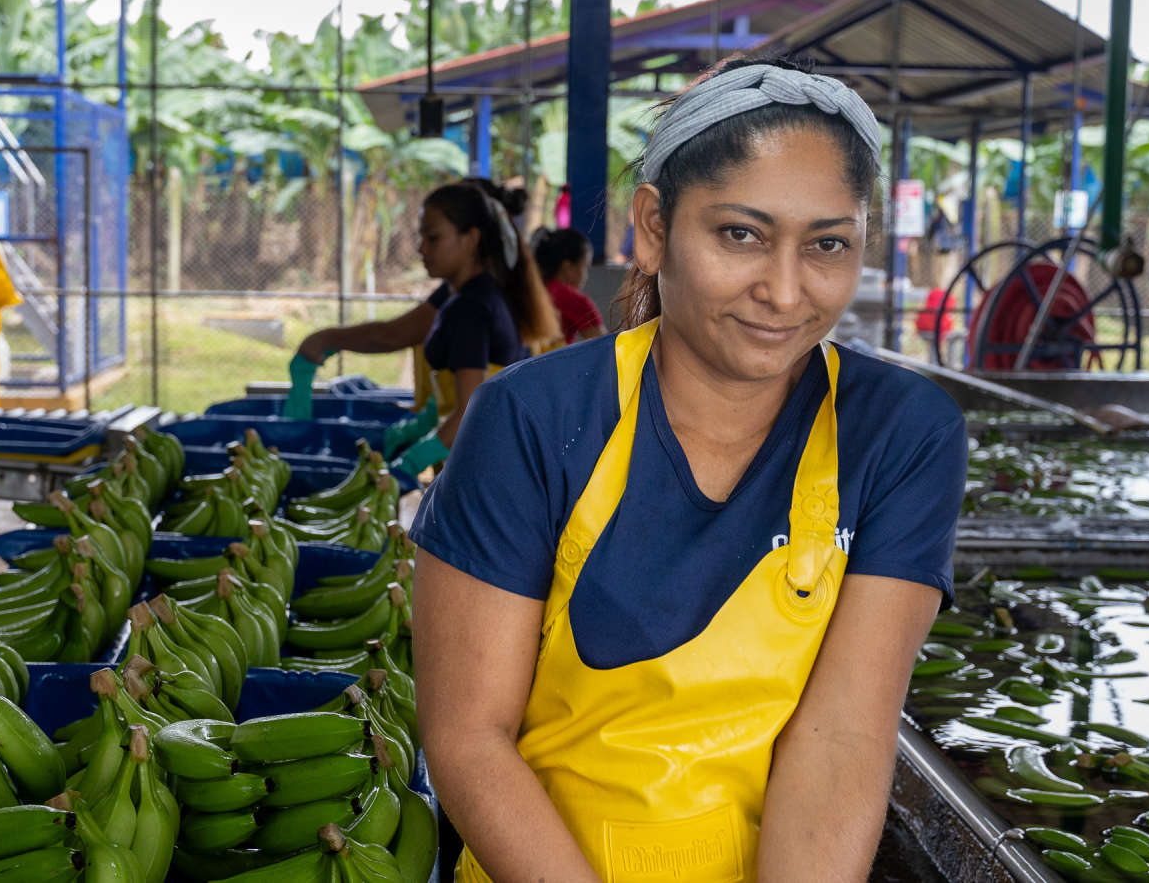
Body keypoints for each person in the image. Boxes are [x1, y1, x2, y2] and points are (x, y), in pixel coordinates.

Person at [411, 57, 967, 882]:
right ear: (655, 227)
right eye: (740, 234)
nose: (784, 292)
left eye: (827, 245)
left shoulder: (902, 433)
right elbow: (467, 736)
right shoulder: (535, 418)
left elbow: (843, 734)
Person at [293, 179, 559, 462]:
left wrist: (410, 464)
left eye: (433, 238)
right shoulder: (478, 292)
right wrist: (420, 426)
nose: (421, 249)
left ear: (471, 239)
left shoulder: (469, 306)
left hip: (481, 463)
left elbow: (469, 408)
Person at [531, 227, 606, 344]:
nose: (586, 275)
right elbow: (604, 348)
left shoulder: (532, 290)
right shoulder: (573, 299)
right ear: (568, 268)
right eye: (585, 267)